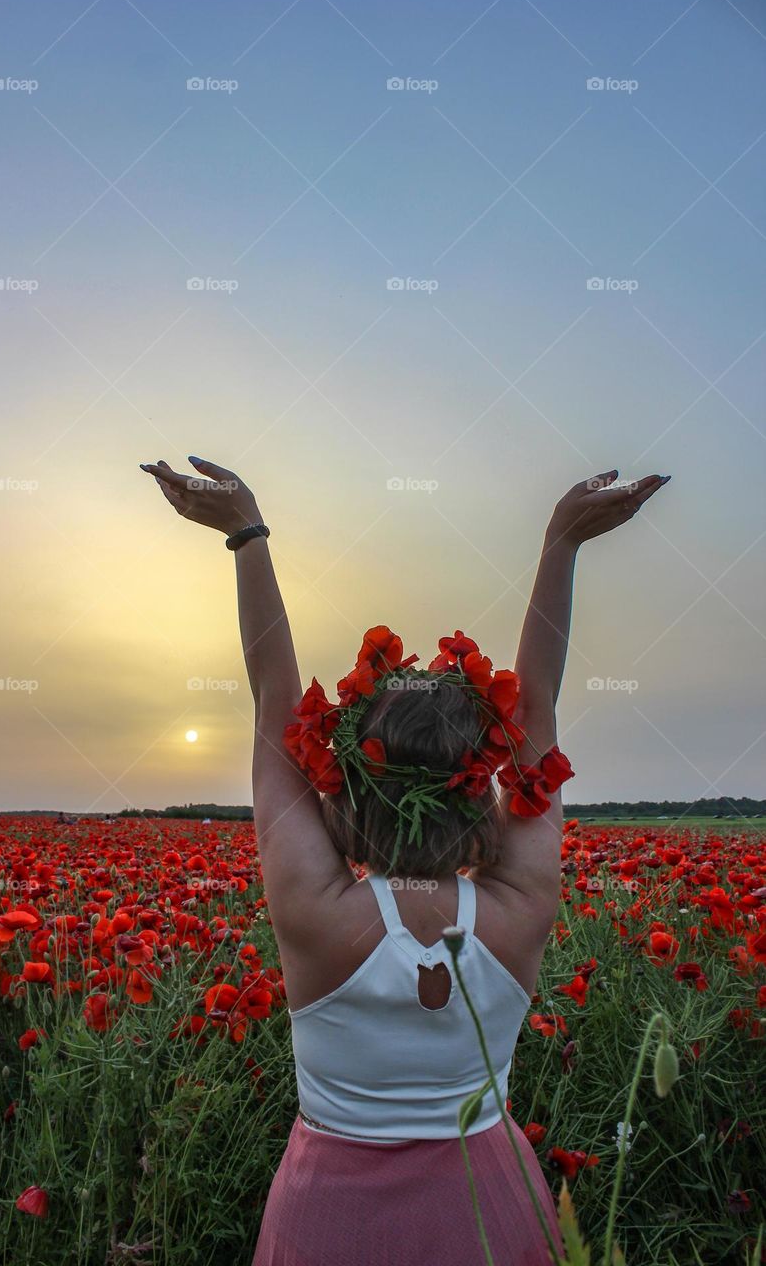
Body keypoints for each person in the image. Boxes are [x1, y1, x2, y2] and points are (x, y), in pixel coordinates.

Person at [140, 454, 670, 1266]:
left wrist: (246, 533)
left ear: (342, 785)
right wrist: (562, 543)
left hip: (329, 1221)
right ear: (480, 784)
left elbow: (274, 700)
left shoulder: (318, 914)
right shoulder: (517, 909)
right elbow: (537, 708)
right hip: (491, 1209)